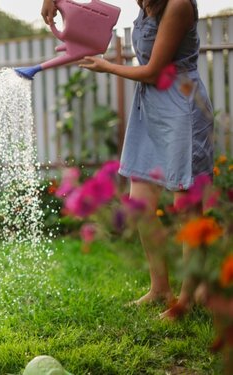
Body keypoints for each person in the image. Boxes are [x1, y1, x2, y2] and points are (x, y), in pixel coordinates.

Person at [42, 0, 214, 318]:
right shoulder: (146, 3)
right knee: (141, 205)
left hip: (180, 108)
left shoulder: (177, 5)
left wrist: (106, 65)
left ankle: (188, 298)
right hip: (149, 110)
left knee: (187, 209)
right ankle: (160, 287)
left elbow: (152, 71)